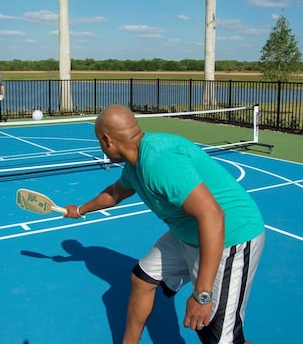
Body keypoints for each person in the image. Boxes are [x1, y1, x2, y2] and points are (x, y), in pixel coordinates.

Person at [64, 105, 265, 344]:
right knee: (142, 278)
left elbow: (212, 216)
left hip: (231, 235)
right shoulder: (134, 166)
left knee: (221, 339)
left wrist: (202, 294)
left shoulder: (159, 163)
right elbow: (114, 193)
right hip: (187, 231)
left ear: (107, 140)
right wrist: (79, 209)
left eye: (99, 141)